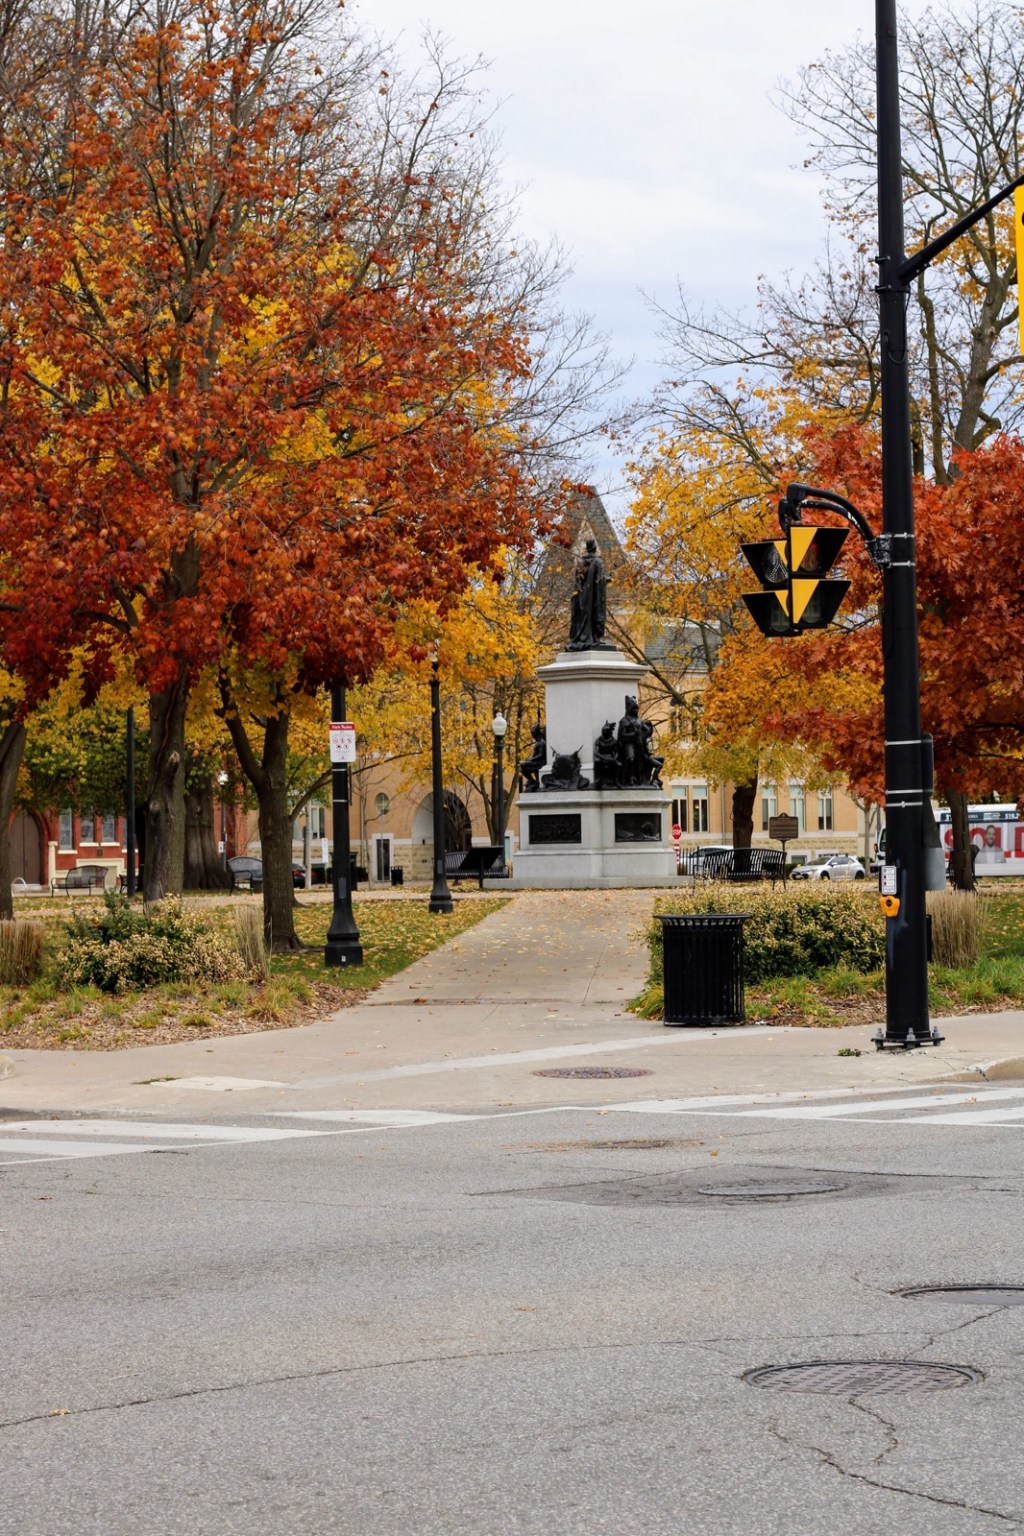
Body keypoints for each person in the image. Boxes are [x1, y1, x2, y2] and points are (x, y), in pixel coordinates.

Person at [567, 537, 609, 651]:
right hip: (593, 598)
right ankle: (593, 638)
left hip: (581, 598)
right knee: (593, 616)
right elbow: (599, 580)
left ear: (587, 549)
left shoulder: (580, 563)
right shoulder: (598, 562)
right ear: (595, 549)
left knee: (583, 618)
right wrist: (607, 580)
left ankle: (583, 637)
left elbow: (577, 582)